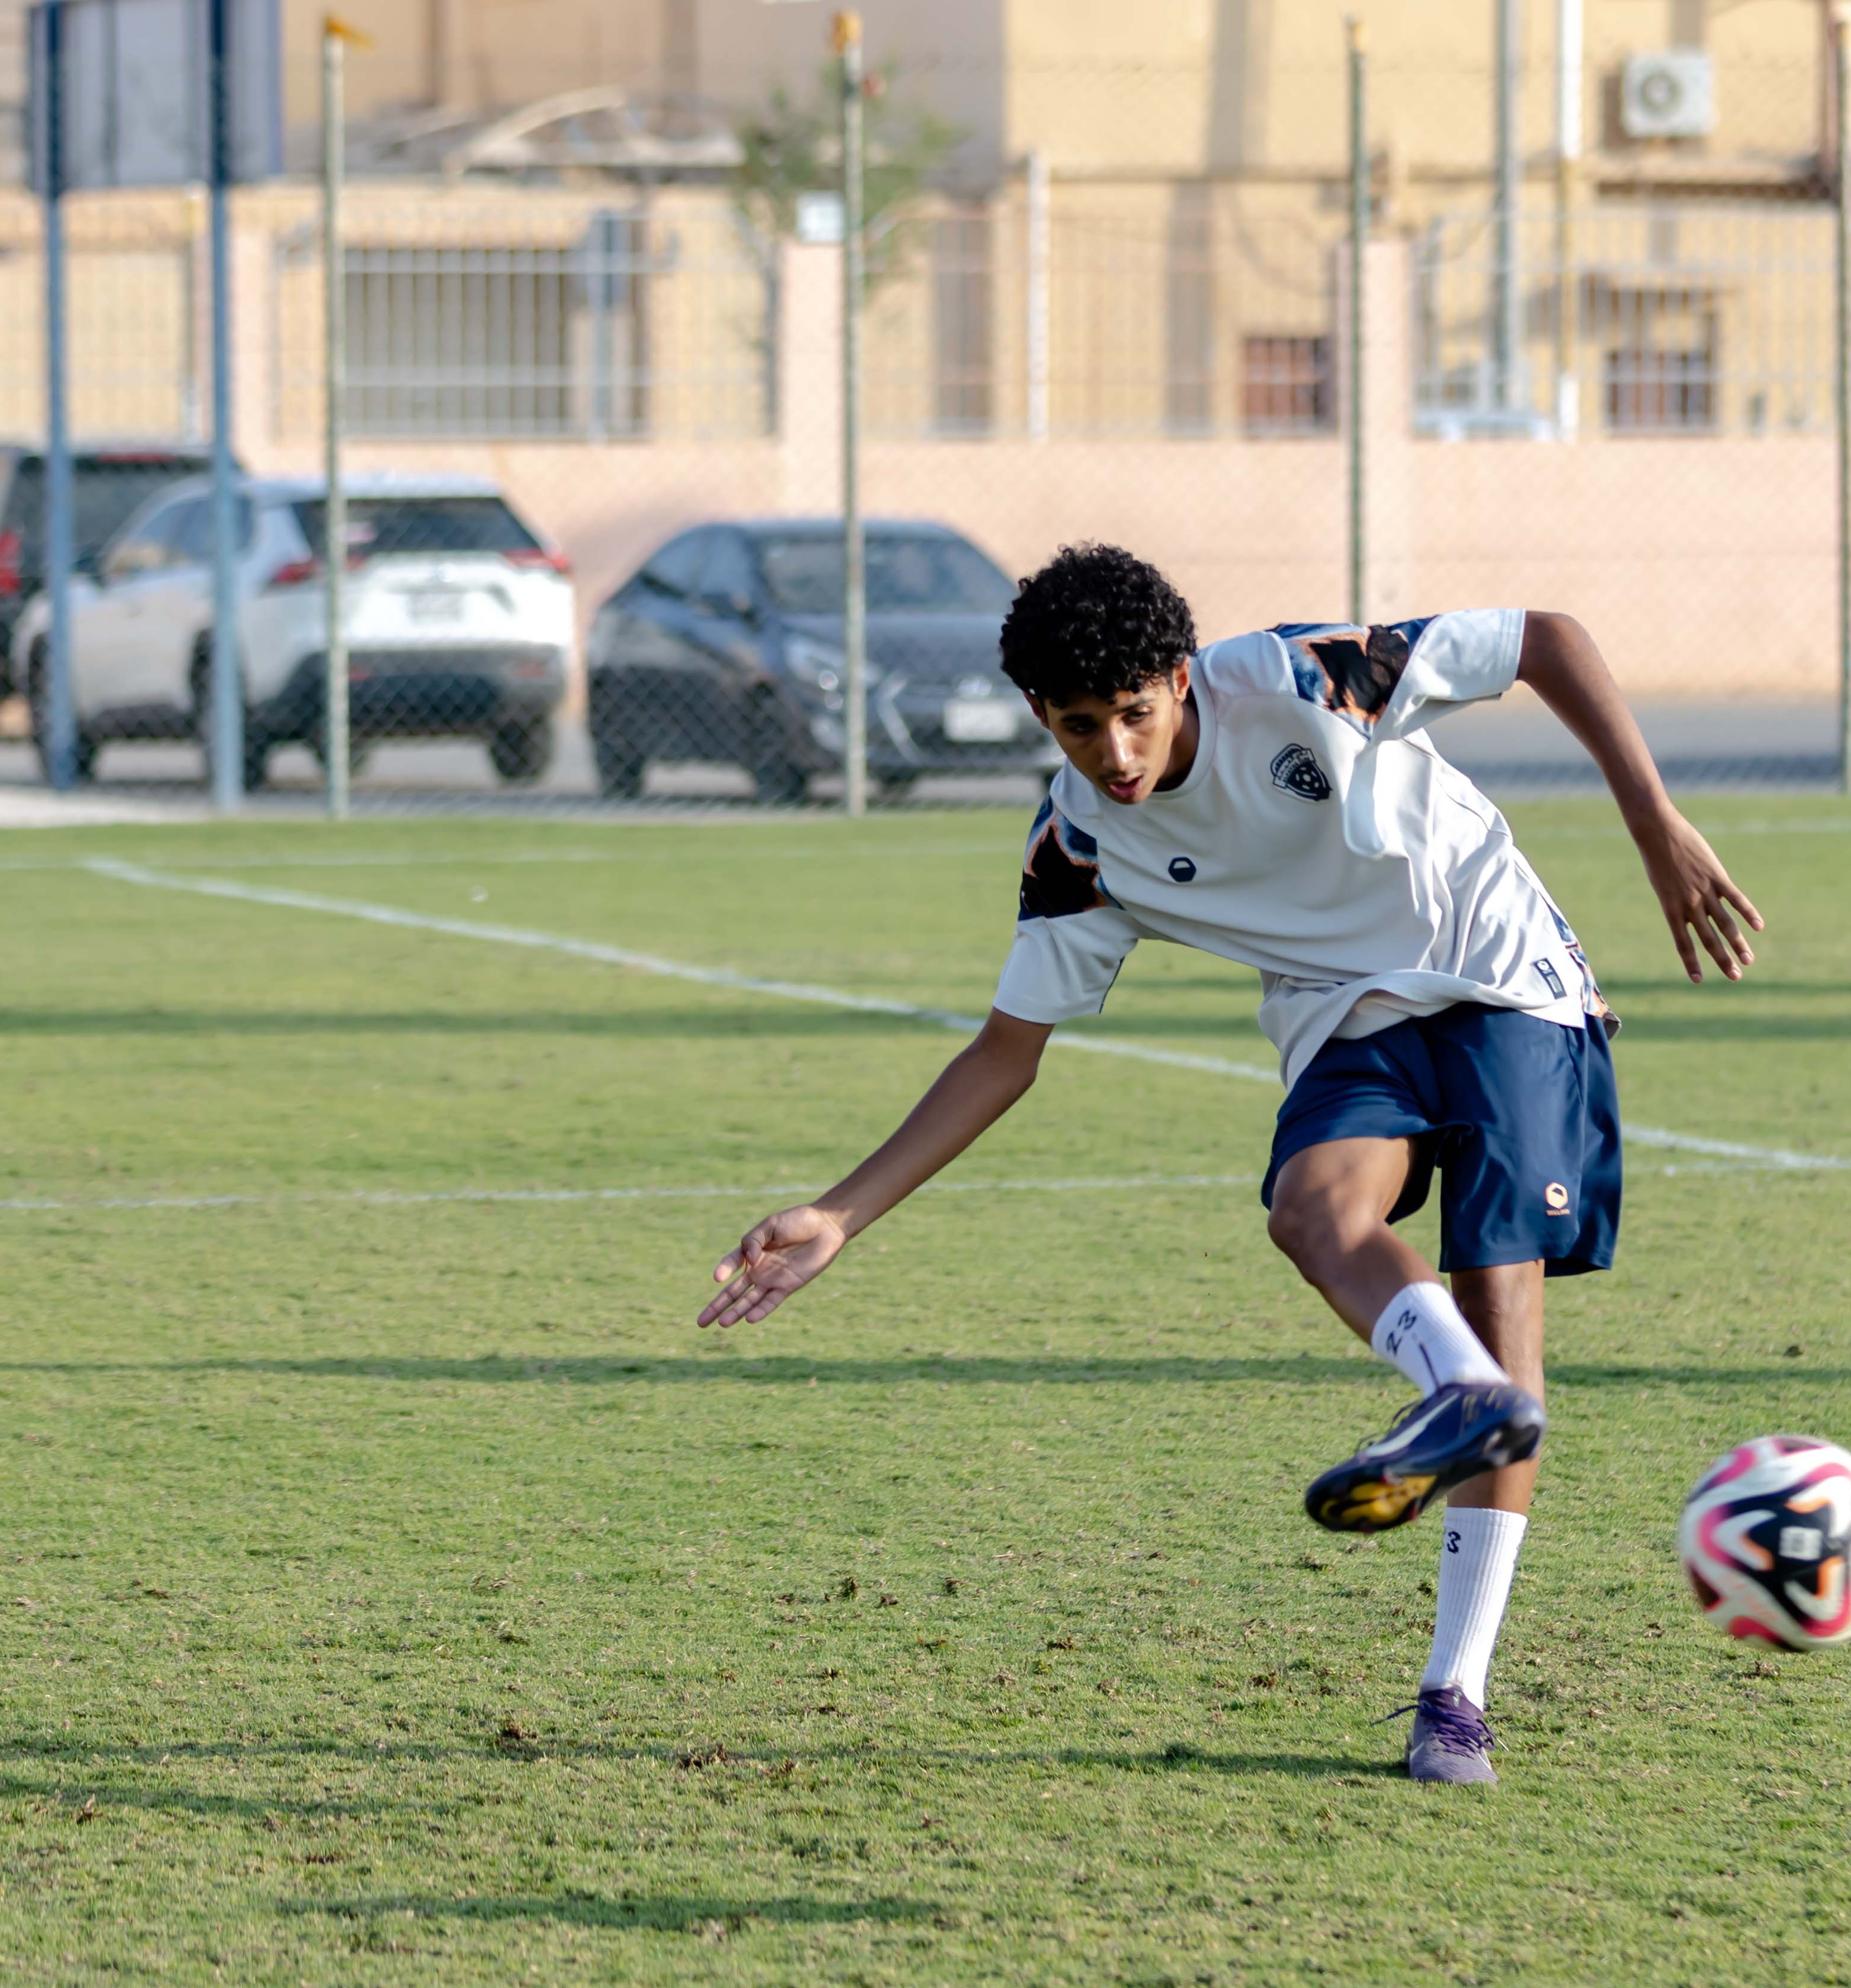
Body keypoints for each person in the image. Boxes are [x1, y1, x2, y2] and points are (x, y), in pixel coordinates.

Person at [694, 546, 1760, 1786]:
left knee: (1495, 1297)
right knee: (1310, 1213)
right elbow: (1003, 1054)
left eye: (1133, 713)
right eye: (1078, 726)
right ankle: (1460, 1399)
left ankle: (1453, 1695)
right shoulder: (1077, 847)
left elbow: (1545, 636)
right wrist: (839, 1212)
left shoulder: (1308, 679)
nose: (1114, 752)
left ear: (1183, 677)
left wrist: (1653, 821)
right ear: (1039, 714)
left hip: (1498, 969)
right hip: (1344, 1015)